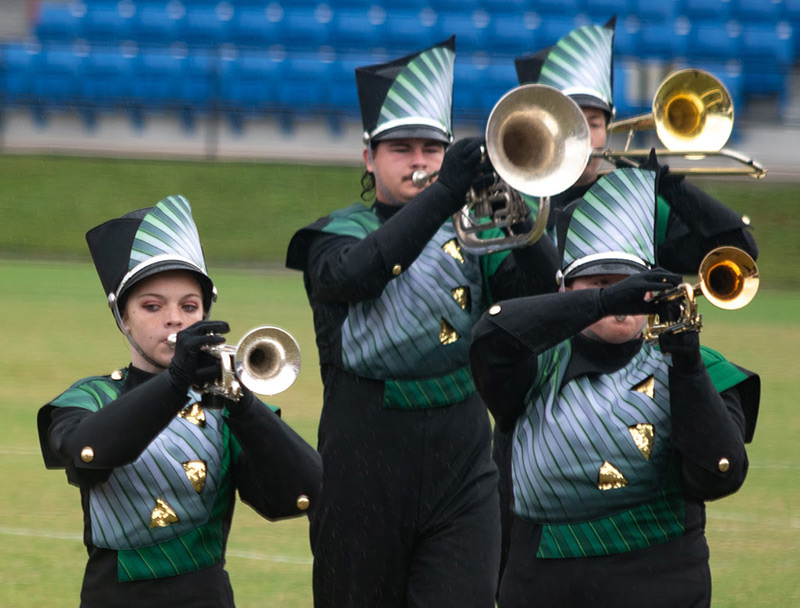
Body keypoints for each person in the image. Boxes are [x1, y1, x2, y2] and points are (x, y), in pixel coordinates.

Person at [285, 37, 559, 607]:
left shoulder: (479, 230)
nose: (419, 162)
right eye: (401, 148)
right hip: (363, 454)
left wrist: (526, 215)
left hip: (461, 457)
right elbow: (356, 276)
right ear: (369, 158)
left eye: (432, 149)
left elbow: (537, 305)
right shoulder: (335, 234)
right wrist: (447, 193)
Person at [469, 165, 760, 608]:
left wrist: (685, 363)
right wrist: (602, 303)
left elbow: (719, 473)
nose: (621, 302)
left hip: (661, 587)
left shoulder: (704, 368)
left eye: (629, 285)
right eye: (600, 283)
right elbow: (490, 337)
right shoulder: (534, 365)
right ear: (565, 290)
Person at [37, 195, 322, 608]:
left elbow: (304, 491)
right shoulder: (90, 397)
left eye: (190, 307)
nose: (175, 319)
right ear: (122, 317)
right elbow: (88, 453)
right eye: (152, 306)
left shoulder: (226, 407)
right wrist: (175, 382)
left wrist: (242, 404)